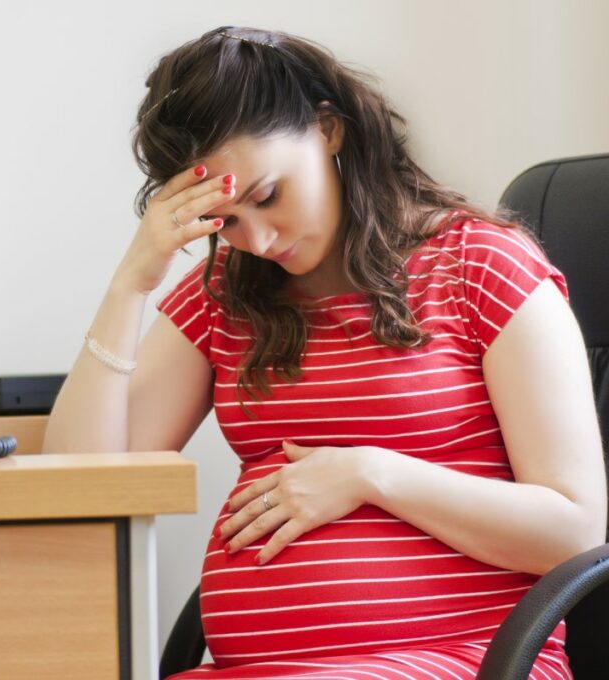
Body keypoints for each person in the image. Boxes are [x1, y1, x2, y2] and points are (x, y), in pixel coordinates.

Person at [42, 26, 606, 679]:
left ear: (328, 130)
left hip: (458, 662)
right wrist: (132, 282)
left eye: (266, 195)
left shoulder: (482, 266)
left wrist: (370, 474)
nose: (253, 238)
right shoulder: (227, 298)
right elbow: (78, 485)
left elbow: (574, 531)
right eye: (224, 221)